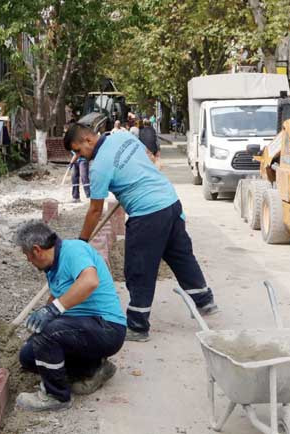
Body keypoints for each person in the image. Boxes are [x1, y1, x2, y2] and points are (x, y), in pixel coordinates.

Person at [64, 124, 217, 342]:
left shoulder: (99, 167)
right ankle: (204, 300)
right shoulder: (123, 137)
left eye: (78, 151)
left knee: (139, 267)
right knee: (180, 255)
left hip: (147, 213)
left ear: (88, 140)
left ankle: (137, 324)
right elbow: (146, 157)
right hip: (170, 202)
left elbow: (95, 210)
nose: (80, 157)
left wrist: (82, 242)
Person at [14, 221, 126, 411]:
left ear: (37, 250)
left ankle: (56, 396)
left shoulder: (73, 250)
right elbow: (58, 296)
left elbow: (90, 281)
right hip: (83, 329)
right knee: (28, 356)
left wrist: (52, 311)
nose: (28, 261)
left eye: (27, 256)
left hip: (106, 327)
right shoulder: (53, 265)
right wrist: (41, 318)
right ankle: (93, 369)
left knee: (48, 334)